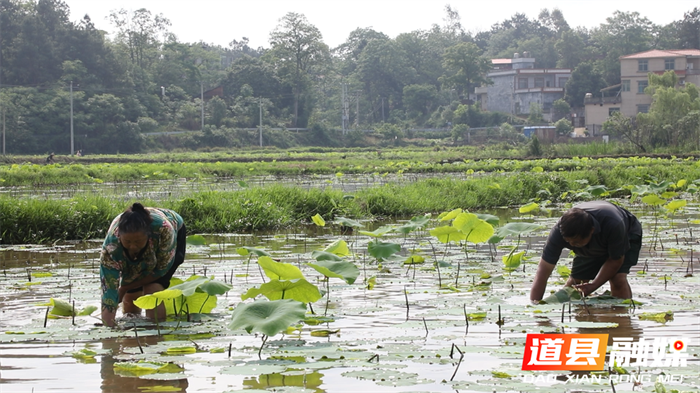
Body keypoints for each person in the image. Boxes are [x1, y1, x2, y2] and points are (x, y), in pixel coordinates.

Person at [530, 201, 642, 303]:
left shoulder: (613, 224)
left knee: (617, 278)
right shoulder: (558, 233)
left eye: (576, 242)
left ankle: (622, 319)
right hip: (592, 240)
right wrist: (535, 302)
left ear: (591, 231)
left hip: (627, 233)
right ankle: (579, 316)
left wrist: (593, 286)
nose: (572, 245)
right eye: (568, 242)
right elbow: (542, 272)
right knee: (575, 282)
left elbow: (616, 260)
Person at [100, 203, 186, 327]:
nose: (133, 246)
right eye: (128, 242)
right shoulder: (111, 247)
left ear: (148, 235)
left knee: (152, 289)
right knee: (130, 299)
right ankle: (134, 337)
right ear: (120, 236)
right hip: (126, 247)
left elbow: (160, 270)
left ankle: (156, 332)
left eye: (138, 241)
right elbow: (108, 290)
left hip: (173, 234)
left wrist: (123, 288)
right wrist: (108, 328)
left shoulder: (164, 230)